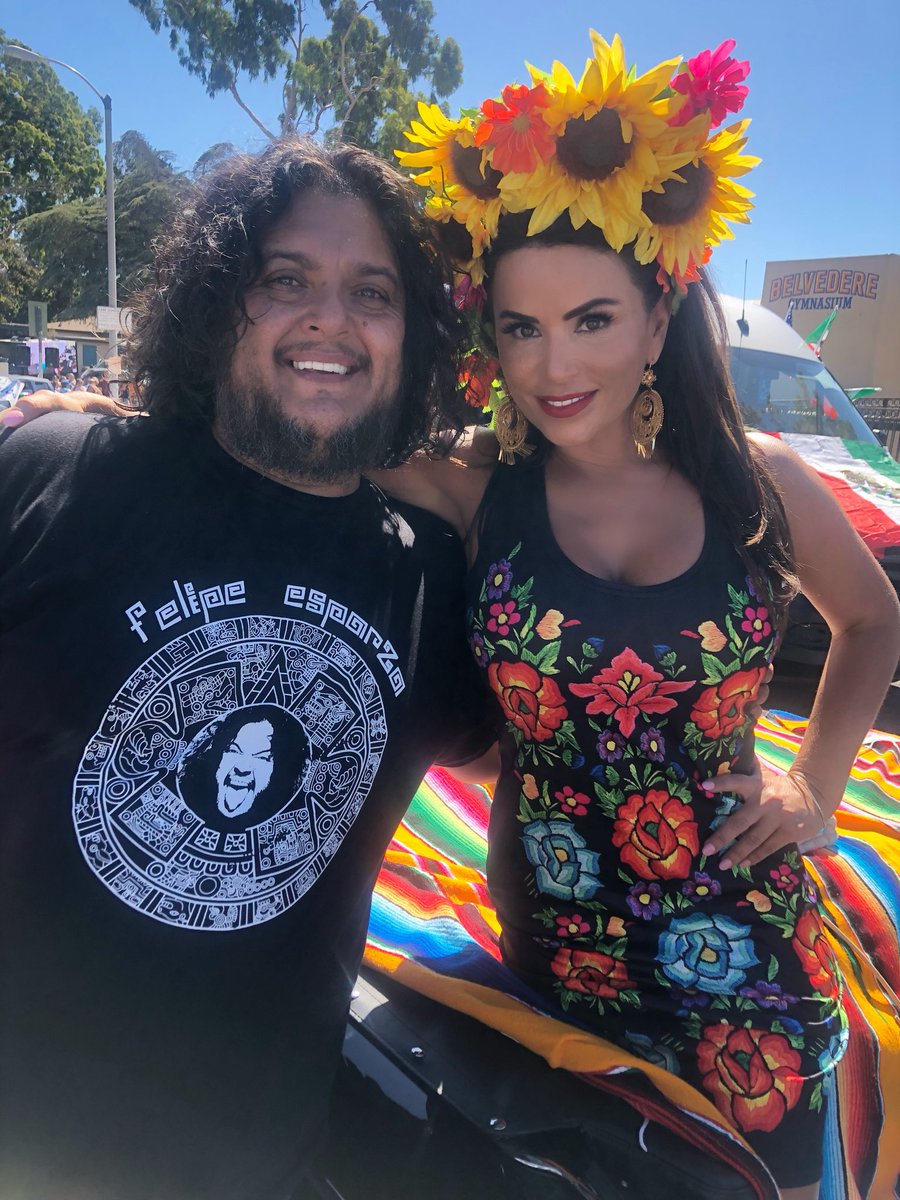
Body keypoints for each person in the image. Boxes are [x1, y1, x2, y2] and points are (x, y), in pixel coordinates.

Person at [364, 32, 896, 1199]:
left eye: (591, 320)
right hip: (548, 935)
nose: (552, 362)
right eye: (519, 326)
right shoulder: (471, 487)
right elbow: (311, 445)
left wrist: (817, 782)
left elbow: (873, 624)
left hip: (744, 948)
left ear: (658, 323)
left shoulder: (761, 485)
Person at [0, 139, 498, 1200]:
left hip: (256, 1161)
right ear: (218, 303)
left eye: (374, 292)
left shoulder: (433, 581)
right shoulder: (57, 475)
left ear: (413, 337)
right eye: (285, 280)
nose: (331, 317)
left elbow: (556, 759)